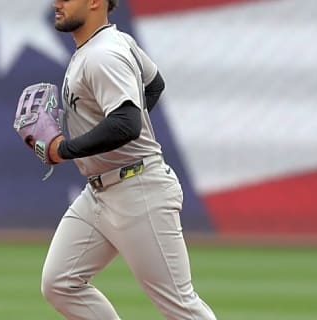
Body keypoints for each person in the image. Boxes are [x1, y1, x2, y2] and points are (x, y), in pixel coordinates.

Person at [39, 0, 218, 319]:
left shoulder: (102, 55)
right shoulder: (112, 42)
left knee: (180, 306)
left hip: (138, 190)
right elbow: (154, 84)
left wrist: (63, 149)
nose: (57, 1)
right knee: (60, 284)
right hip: (99, 192)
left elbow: (126, 123)